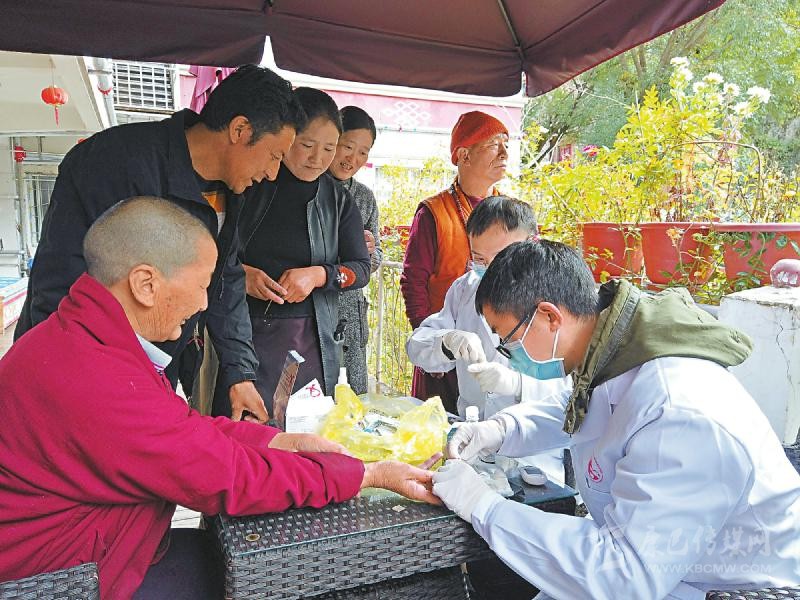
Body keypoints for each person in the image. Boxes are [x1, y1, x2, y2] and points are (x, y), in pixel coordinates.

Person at [0, 197, 438, 600]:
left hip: (110, 548)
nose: (204, 302)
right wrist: (368, 474)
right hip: (70, 580)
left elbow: (181, 428)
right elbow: (227, 476)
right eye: (202, 284)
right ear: (145, 284)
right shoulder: (94, 377)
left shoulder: (85, 339)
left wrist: (276, 441)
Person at [433, 240, 800, 600]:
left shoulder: (679, 414)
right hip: (668, 569)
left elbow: (625, 575)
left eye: (507, 339)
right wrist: (499, 430)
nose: (507, 354)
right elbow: (579, 408)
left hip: (735, 587)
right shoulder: (614, 355)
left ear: (549, 317)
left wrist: (485, 506)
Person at [14, 64, 303, 423]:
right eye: (275, 156)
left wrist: (240, 372)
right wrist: (68, 385)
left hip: (152, 370)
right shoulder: (114, 162)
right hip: (75, 374)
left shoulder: (232, 191)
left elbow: (225, 280)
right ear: (239, 130)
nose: (273, 173)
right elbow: (60, 283)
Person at [227, 88, 370, 416]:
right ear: (287, 136)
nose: (317, 159)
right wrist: (241, 275)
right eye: (307, 145)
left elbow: (360, 268)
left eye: (329, 148)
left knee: (304, 426)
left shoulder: (338, 200)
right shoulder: (250, 184)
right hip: (245, 334)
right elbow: (213, 255)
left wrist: (319, 275)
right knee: (249, 425)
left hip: (312, 337)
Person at [406, 196, 569, 482]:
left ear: (532, 242)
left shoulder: (560, 298)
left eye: (502, 258)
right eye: (480, 259)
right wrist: (447, 342)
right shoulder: (465, 290)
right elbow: (417, 345)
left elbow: (578, 392)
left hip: (533, 455)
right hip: (470, 444)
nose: (492, 271)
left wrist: (517, 385)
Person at [400, 110, 509, 412]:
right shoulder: (434, 212)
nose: (504, 153)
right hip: (446, 351)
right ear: (464, 155)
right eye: (493, 144)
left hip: (500, 352)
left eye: (506, 144)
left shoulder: (512, 214)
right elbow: (414, 283)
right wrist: (435, 343)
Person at [328, 106, 382, 394]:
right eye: (348, 147)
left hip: (351, 310)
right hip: (317, 304)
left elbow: (376, 258)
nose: (353, 159)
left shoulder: (364, 197)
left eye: (363, 152)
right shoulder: (310, 186)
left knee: (352, 394)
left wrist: (369, 252)